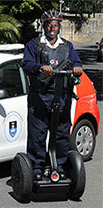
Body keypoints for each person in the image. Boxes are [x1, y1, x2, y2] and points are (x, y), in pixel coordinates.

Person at [22, 9, 83, 181]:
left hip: (62, 95)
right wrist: (39, 67)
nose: (52, 28)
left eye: (55, 25)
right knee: (38, 133)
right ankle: (37, 167)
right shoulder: (34, 45)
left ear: (59, 27)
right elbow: (26, 63)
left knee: (62, 132)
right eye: (49, 24)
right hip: (40, 96)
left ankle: (60, 165)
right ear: (44, 26)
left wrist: (77, 68)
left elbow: (76, 62)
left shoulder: (67, 46)